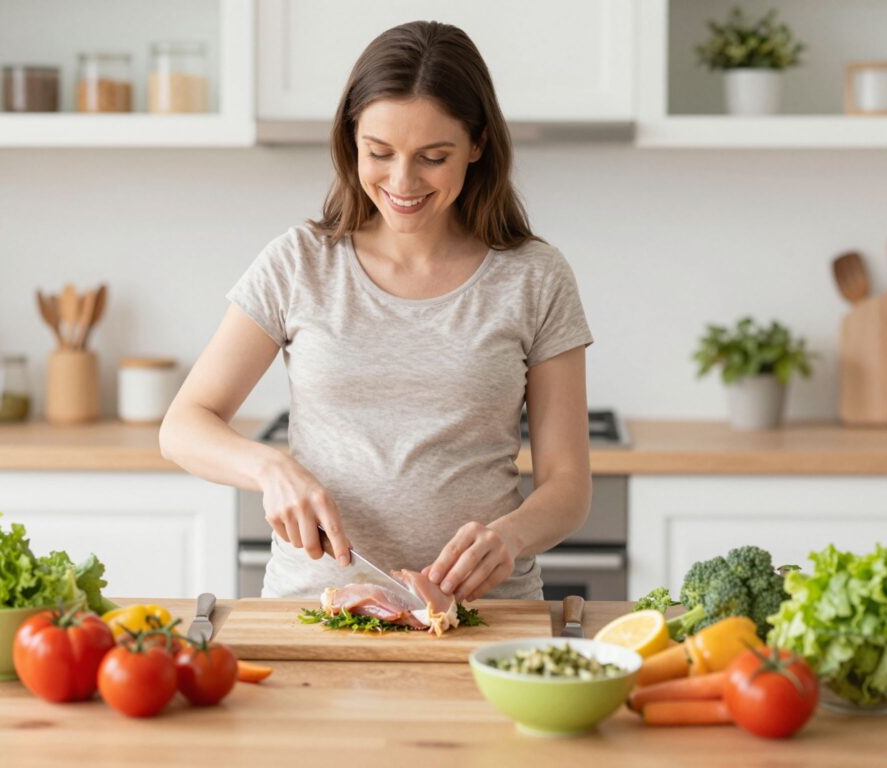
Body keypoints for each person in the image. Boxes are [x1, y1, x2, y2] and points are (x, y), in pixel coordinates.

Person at [160, 20, 592, 602]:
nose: (402, 181)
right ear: (351, 141)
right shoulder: (300, 262)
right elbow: (184, 425)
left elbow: (568, 485)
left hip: (484, 615)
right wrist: (269, 470)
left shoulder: (535, 276)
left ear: (478, 144)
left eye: (433, 157)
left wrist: (510, 538)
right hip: (316, 608)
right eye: (379, 153)